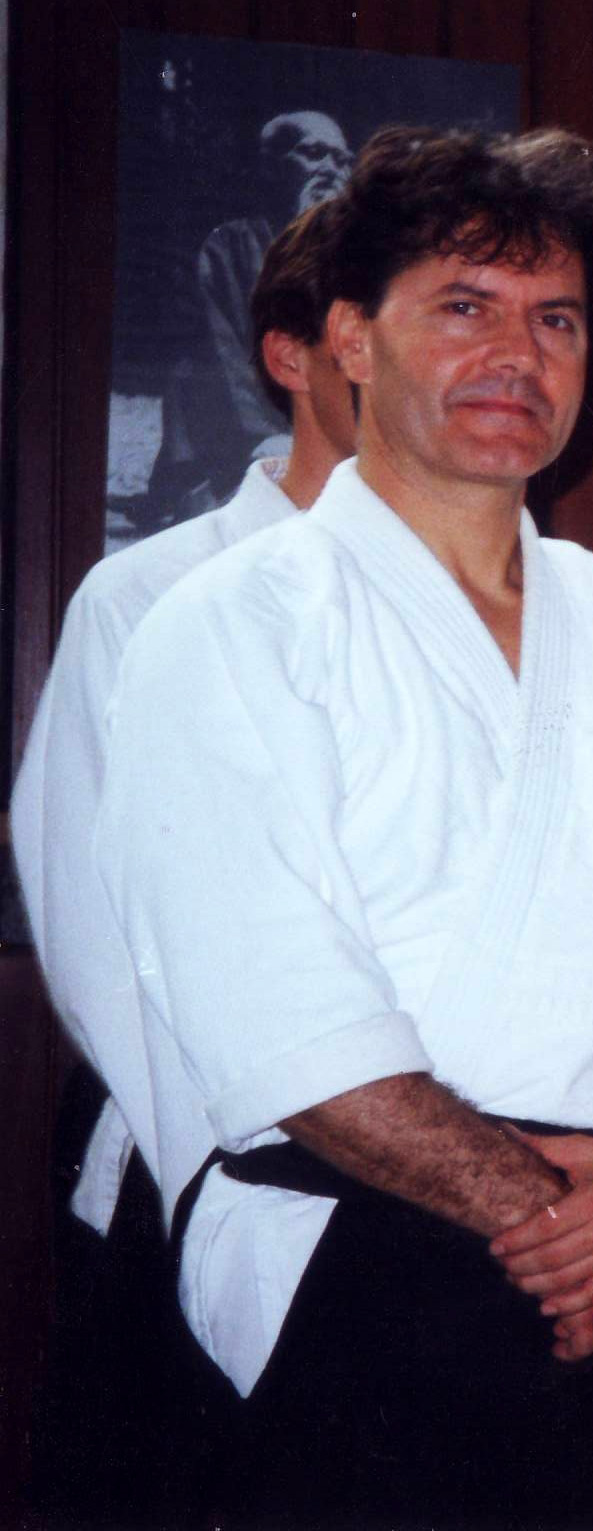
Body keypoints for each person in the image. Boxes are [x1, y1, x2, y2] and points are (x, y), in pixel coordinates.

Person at [93, 125, 593, 1528]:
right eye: (466, 307)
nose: (518, 354)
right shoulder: (231, 623)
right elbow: (277, 1016)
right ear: (350, 340)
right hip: (360, 1255)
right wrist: (557, 1216)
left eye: (557, 319)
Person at [13, 196, 357, 1528]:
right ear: (292, 356)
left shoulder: (518, 605)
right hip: (206, 1163)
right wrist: (225, 1191)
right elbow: (95, 938)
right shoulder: (146, 597)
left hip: (444, 1198)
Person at [144, 110, 354, 529]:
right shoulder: (229, 246)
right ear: (271, 166)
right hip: (253, 438)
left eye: (343, 159)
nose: (332, 169)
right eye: (315, 153)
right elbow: (217, 351)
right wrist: (265, 437)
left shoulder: (362, 257)